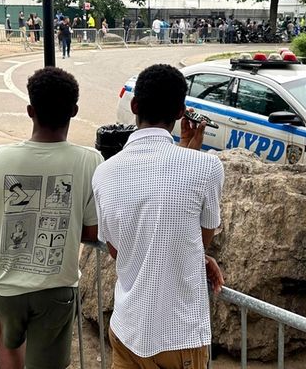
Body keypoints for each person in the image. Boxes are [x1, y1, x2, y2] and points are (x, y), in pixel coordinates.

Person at [0, 67, 103, 369]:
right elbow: (91, 231)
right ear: (74, 111)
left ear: (30, 110)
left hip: (6, 287)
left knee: (8, 344)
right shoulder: (89, 160)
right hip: (56, 287)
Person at [92, 64, 225, 369]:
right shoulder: (206, 167)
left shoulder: (104, 173)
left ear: (135, 106)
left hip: (126, 329)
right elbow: (200, 240)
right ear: (181, 113)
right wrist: (189, 151)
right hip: (178, 337)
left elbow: (117, 250)